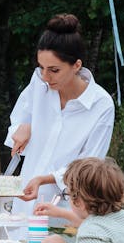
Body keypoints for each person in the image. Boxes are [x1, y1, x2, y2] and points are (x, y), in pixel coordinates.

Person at [6, 14, 115, 228]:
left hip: (66, 212)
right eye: (41, 67)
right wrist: (24, 127)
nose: (46, 76)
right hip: (24, 205)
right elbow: (18, 122)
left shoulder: (101, 105)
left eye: (54, 70)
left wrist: (44, 179)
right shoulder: (39, 83)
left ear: (76, 65)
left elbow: (88, 167)